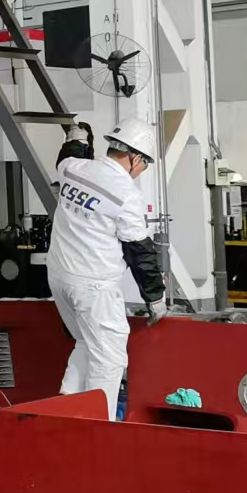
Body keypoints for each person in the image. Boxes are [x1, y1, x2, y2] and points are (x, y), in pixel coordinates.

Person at [47, 118, 166, 420]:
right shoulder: (126, 193)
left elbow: (66, 156)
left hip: (60, 277)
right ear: (134, 157)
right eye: (145, 164)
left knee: (86, 343)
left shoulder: (75, 169)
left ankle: (66, 413)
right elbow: (140, 251)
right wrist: (155, 298)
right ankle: (98, 427)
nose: (142, 171)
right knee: (109, 360)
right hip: (94, 288)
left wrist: (78, 139)